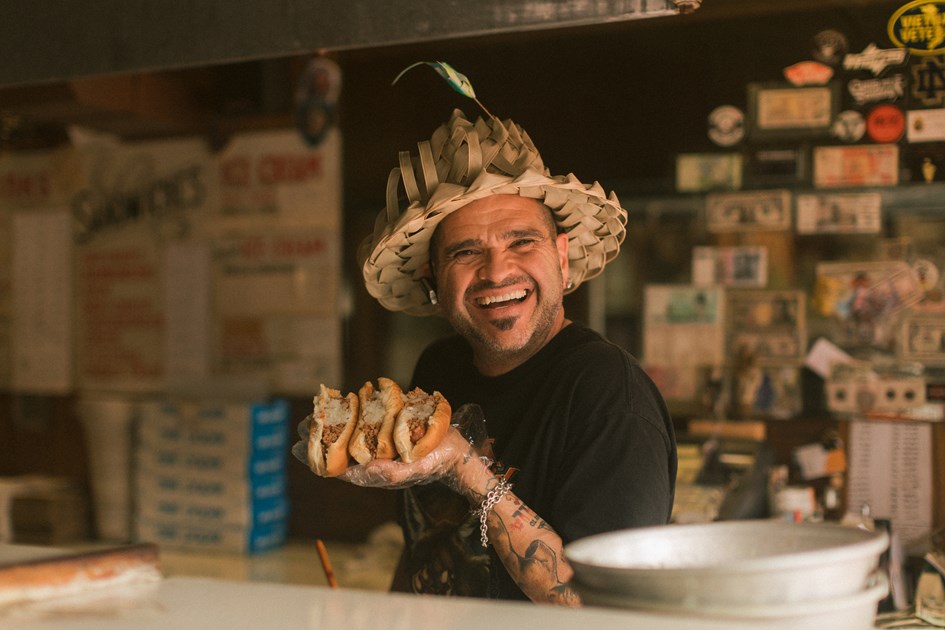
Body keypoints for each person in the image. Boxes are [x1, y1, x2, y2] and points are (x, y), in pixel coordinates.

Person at [328, 107, 676, 605]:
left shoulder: (609, 395)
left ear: (560, 255)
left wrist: (463, 465)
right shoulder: (438, 370)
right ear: (433, 277)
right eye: (465, 252)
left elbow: (603, 607)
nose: (496, 272)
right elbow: (428, 544)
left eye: (521, 242)